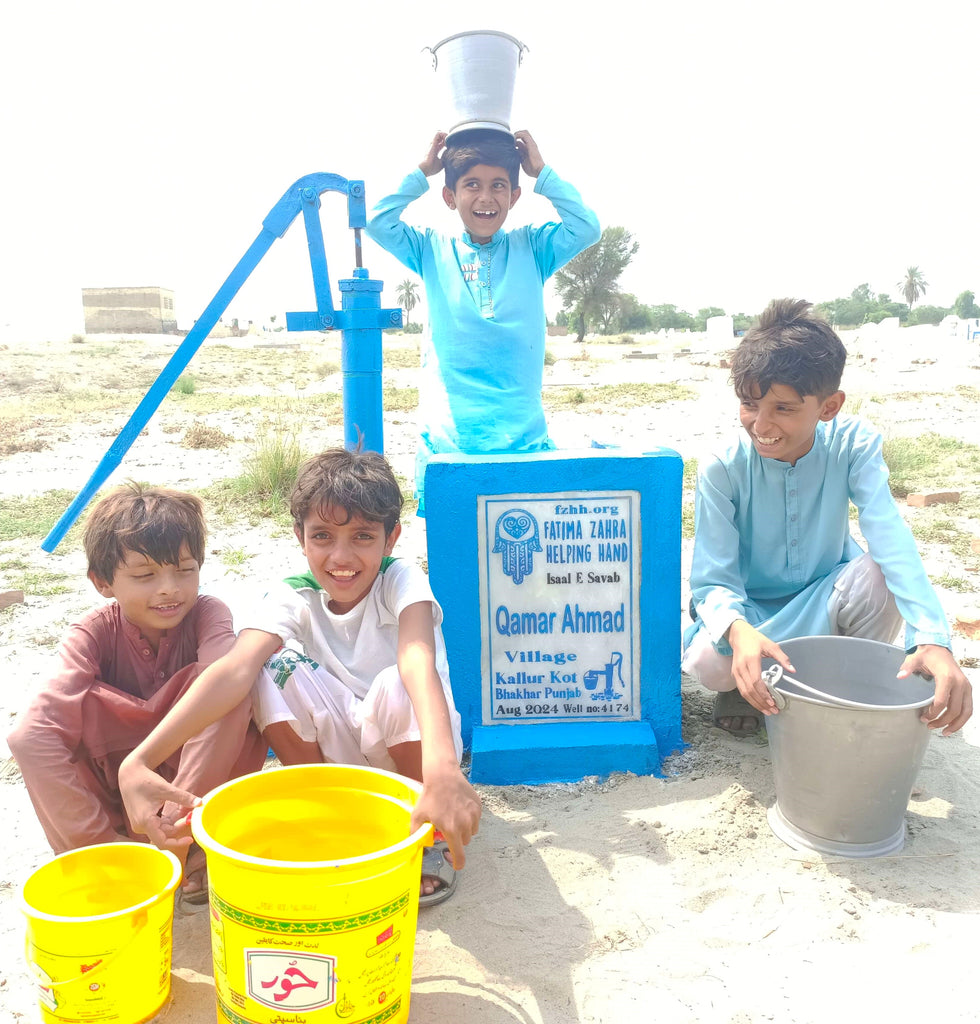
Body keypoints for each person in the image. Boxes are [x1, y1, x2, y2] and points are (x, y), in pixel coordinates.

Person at [118, 448, 481, 905]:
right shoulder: (293, 594)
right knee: (268, 667)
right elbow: (233, 669)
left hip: (416, 750)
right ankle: (327, 816)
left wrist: (444, 769)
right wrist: (139, 761)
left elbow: (416, 661)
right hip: (343, 755)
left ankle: (429, 834)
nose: (341, 556)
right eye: (323, 536)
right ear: (300, 537)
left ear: (391, 539)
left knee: (396, 681)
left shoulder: (400, 580)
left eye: (363, 536)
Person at [682, 298, 973, 737]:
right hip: (752, 613)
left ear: (829, 406)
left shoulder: (853, 445)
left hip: (827, 596)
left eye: (783, 408)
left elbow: (890, 538)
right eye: (749, 404)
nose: (761, 425)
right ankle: (742, 687)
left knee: (880, 576)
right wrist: (738, 631)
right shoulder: (722, 468)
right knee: (708, 663)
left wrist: (932, 638)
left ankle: (833, 688)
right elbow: (713, 579)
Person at [6, 484, 265, 899]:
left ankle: (189, 847)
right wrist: (105, 847)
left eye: (185, 569)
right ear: (102, 582)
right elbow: (32, 736)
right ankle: (112, 865)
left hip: (189, 801)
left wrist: (174, 824)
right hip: (121, 809)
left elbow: (226, 678)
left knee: (231, 690)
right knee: (41, 730)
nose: (170, 588)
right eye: (145, 575)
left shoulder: (207, 614)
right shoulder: (91, 634)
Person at [366, 128, 601, 513]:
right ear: (449, 196)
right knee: (453, 562)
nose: (486, 197)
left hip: (522, 443)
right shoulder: (429, 248)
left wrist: (542, 172)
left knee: (523, 557)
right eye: (471, 184)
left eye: (498, 185)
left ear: (515, 195)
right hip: (450, 445)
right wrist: (422, 172)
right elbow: (376, 221)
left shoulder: (535, 247)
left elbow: (587, 228)